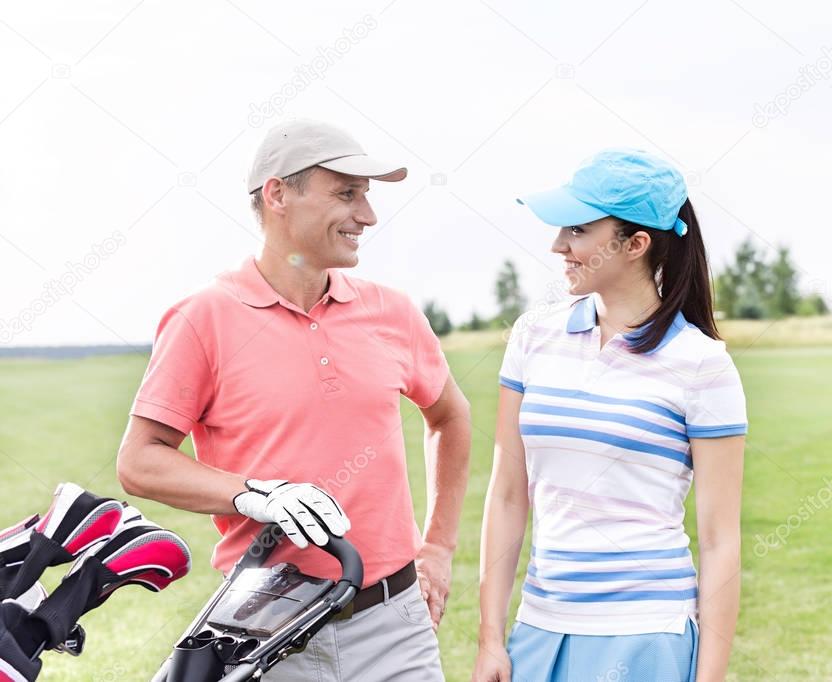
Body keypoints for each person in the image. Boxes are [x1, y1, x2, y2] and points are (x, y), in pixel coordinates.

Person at [117, 119, 472, 681]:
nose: (368, 216)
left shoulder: (392, 313)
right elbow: (140, 461)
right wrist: (256, 494)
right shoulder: (203, 319)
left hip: (395, 625)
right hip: (268, 626)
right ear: (279, 193)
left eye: (366, 197)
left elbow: (450, 415)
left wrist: (439, 548)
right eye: (346, 194)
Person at [473, 149, 747, 681]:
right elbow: (508, 493)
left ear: (637, 243)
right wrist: (490, 637)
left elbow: (720, 539)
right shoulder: (533, 336)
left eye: (577, 230)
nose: (558, 246)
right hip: (540, 629)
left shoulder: (702, 365)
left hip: (645, 636)